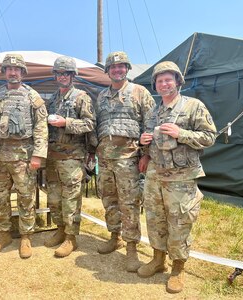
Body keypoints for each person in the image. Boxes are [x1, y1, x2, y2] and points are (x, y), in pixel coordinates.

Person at [138, 61, 216, 293]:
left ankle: (178, 268)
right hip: (155, 175)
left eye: (168, 79)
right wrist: (143, 146)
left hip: (181, 177)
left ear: (178, 81)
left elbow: (210, 136)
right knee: (155, 219)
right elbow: (151, 140)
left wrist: (181, 133)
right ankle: (158, 259)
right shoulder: (154, 111)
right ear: (155, 84)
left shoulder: (193, 106)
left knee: (179, 222)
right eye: (160, 80)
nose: (164, 84)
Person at [92, 51, 155, 272]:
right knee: (109, 199)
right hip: (105, 157)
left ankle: (131, 248)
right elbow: (97, 125)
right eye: (113, 67)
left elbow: (150, 124)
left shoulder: (140, 93)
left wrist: (146, 154)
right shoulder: (100, 96)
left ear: (127, 69)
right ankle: (114, 236)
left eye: (121, 67)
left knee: (129, 203)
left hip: (128, 157)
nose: (117, 70)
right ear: (107, 71)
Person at [0, 53, 48, 259]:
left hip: (24, 155)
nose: (13, 72)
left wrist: (38, 155)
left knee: (26, 197)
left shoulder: (32, 97)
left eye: (17, 69)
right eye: (9, 69)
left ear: (23, 72)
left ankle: (25, 236)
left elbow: (41, 128)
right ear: (4, 72)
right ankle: (3, 234)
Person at [44, 56, 95, 257]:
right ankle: (60, 229)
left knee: (71, 199)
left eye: (66, 73)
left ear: (72, 75)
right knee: (54, 198)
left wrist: (66, 122)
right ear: (55, 75)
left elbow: (90, 124)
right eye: (59, 73)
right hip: (53, 158)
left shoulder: (82, 97)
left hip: (72, 158)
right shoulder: (52, 100)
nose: (62, 76)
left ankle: (71, 238)